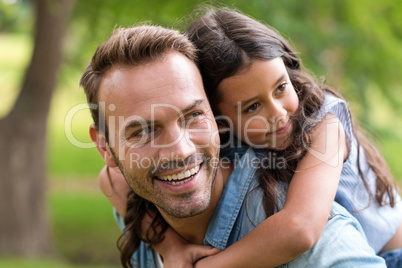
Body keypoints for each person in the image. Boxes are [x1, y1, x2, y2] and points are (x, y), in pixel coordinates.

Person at [81, 24, 387, 267]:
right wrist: (171, 248)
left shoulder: (324, 124)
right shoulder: (144, 206)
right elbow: (110, 181)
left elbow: (301, 228)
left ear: (213, 120)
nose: (182, 150)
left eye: (192, 116)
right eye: (144, 131)